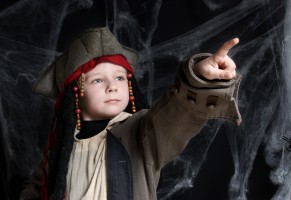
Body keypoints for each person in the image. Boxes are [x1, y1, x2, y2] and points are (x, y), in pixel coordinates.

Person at [20, 27, 242, 200]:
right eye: (97, 80)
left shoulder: (141, 133)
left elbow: (177, 113)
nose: (112, 86)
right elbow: (37, 190)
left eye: (119, 77)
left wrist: (201, 78)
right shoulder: (60, 148)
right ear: (75, 94)